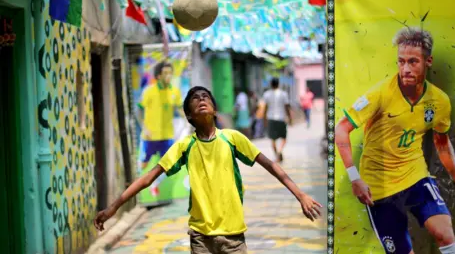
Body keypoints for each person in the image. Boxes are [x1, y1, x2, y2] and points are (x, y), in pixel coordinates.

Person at [94, 86, 322, 253]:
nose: (201, 99)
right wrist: (113, 207)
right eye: (195, 98)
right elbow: (147, 179)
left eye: (205, 97)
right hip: (200, 239)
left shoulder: (232, 138)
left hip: (233, 237)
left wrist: (300, 195)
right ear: (190, 115)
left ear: (214, 110)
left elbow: (272, 166)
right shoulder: (185, 146)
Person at [335, 27, 455, 254]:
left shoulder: (439, 101)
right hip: (379, 188)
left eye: (413, 62)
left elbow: (441, 144)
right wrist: (355, 178)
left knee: (445, 233)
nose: (405, 69)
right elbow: (341, 129)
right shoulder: (380, 94)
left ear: (428, 61)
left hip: (415, 177)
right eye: (401, 62)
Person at [136, 61, 184, 196]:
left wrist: (190, 122)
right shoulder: (149, 91)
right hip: (150, 137)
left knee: (169, 165)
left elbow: (180, 109)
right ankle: (137, 189)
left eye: (170, 73)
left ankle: (155, 185)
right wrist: (144, 128)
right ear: (158, 76)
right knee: (143, 165)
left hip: (167, 136)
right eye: (165, 73)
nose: (169, 76)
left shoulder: (175, 91)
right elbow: (138, 110)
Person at [263, 78, 292, 162]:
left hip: (271, 118)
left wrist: (264, 120)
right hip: (281, 118)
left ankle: (277, 155)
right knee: (284, 138)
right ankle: (279, 151)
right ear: (278, 84)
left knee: (273, 139)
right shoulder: (284, 94)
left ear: (271, 84)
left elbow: (265, 108)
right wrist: (290, 118)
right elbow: (287, 107)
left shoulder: (266, 94)